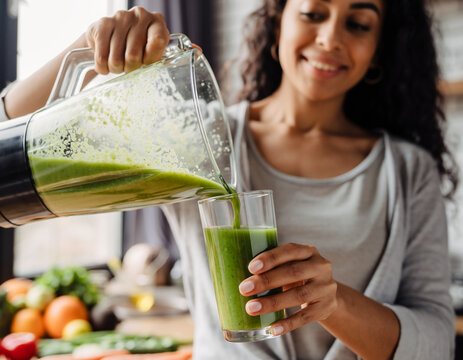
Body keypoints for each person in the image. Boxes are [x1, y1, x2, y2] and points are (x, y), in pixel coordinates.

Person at [0, 1, 459, 359]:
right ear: (278, 25)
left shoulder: (407, 170)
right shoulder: (195, 140)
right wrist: (88, 47)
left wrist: (333, 302)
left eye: (358, 23)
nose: (329, 37)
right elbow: (8, 158)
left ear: (378, 49)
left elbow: (438, 344)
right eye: (313, 13)